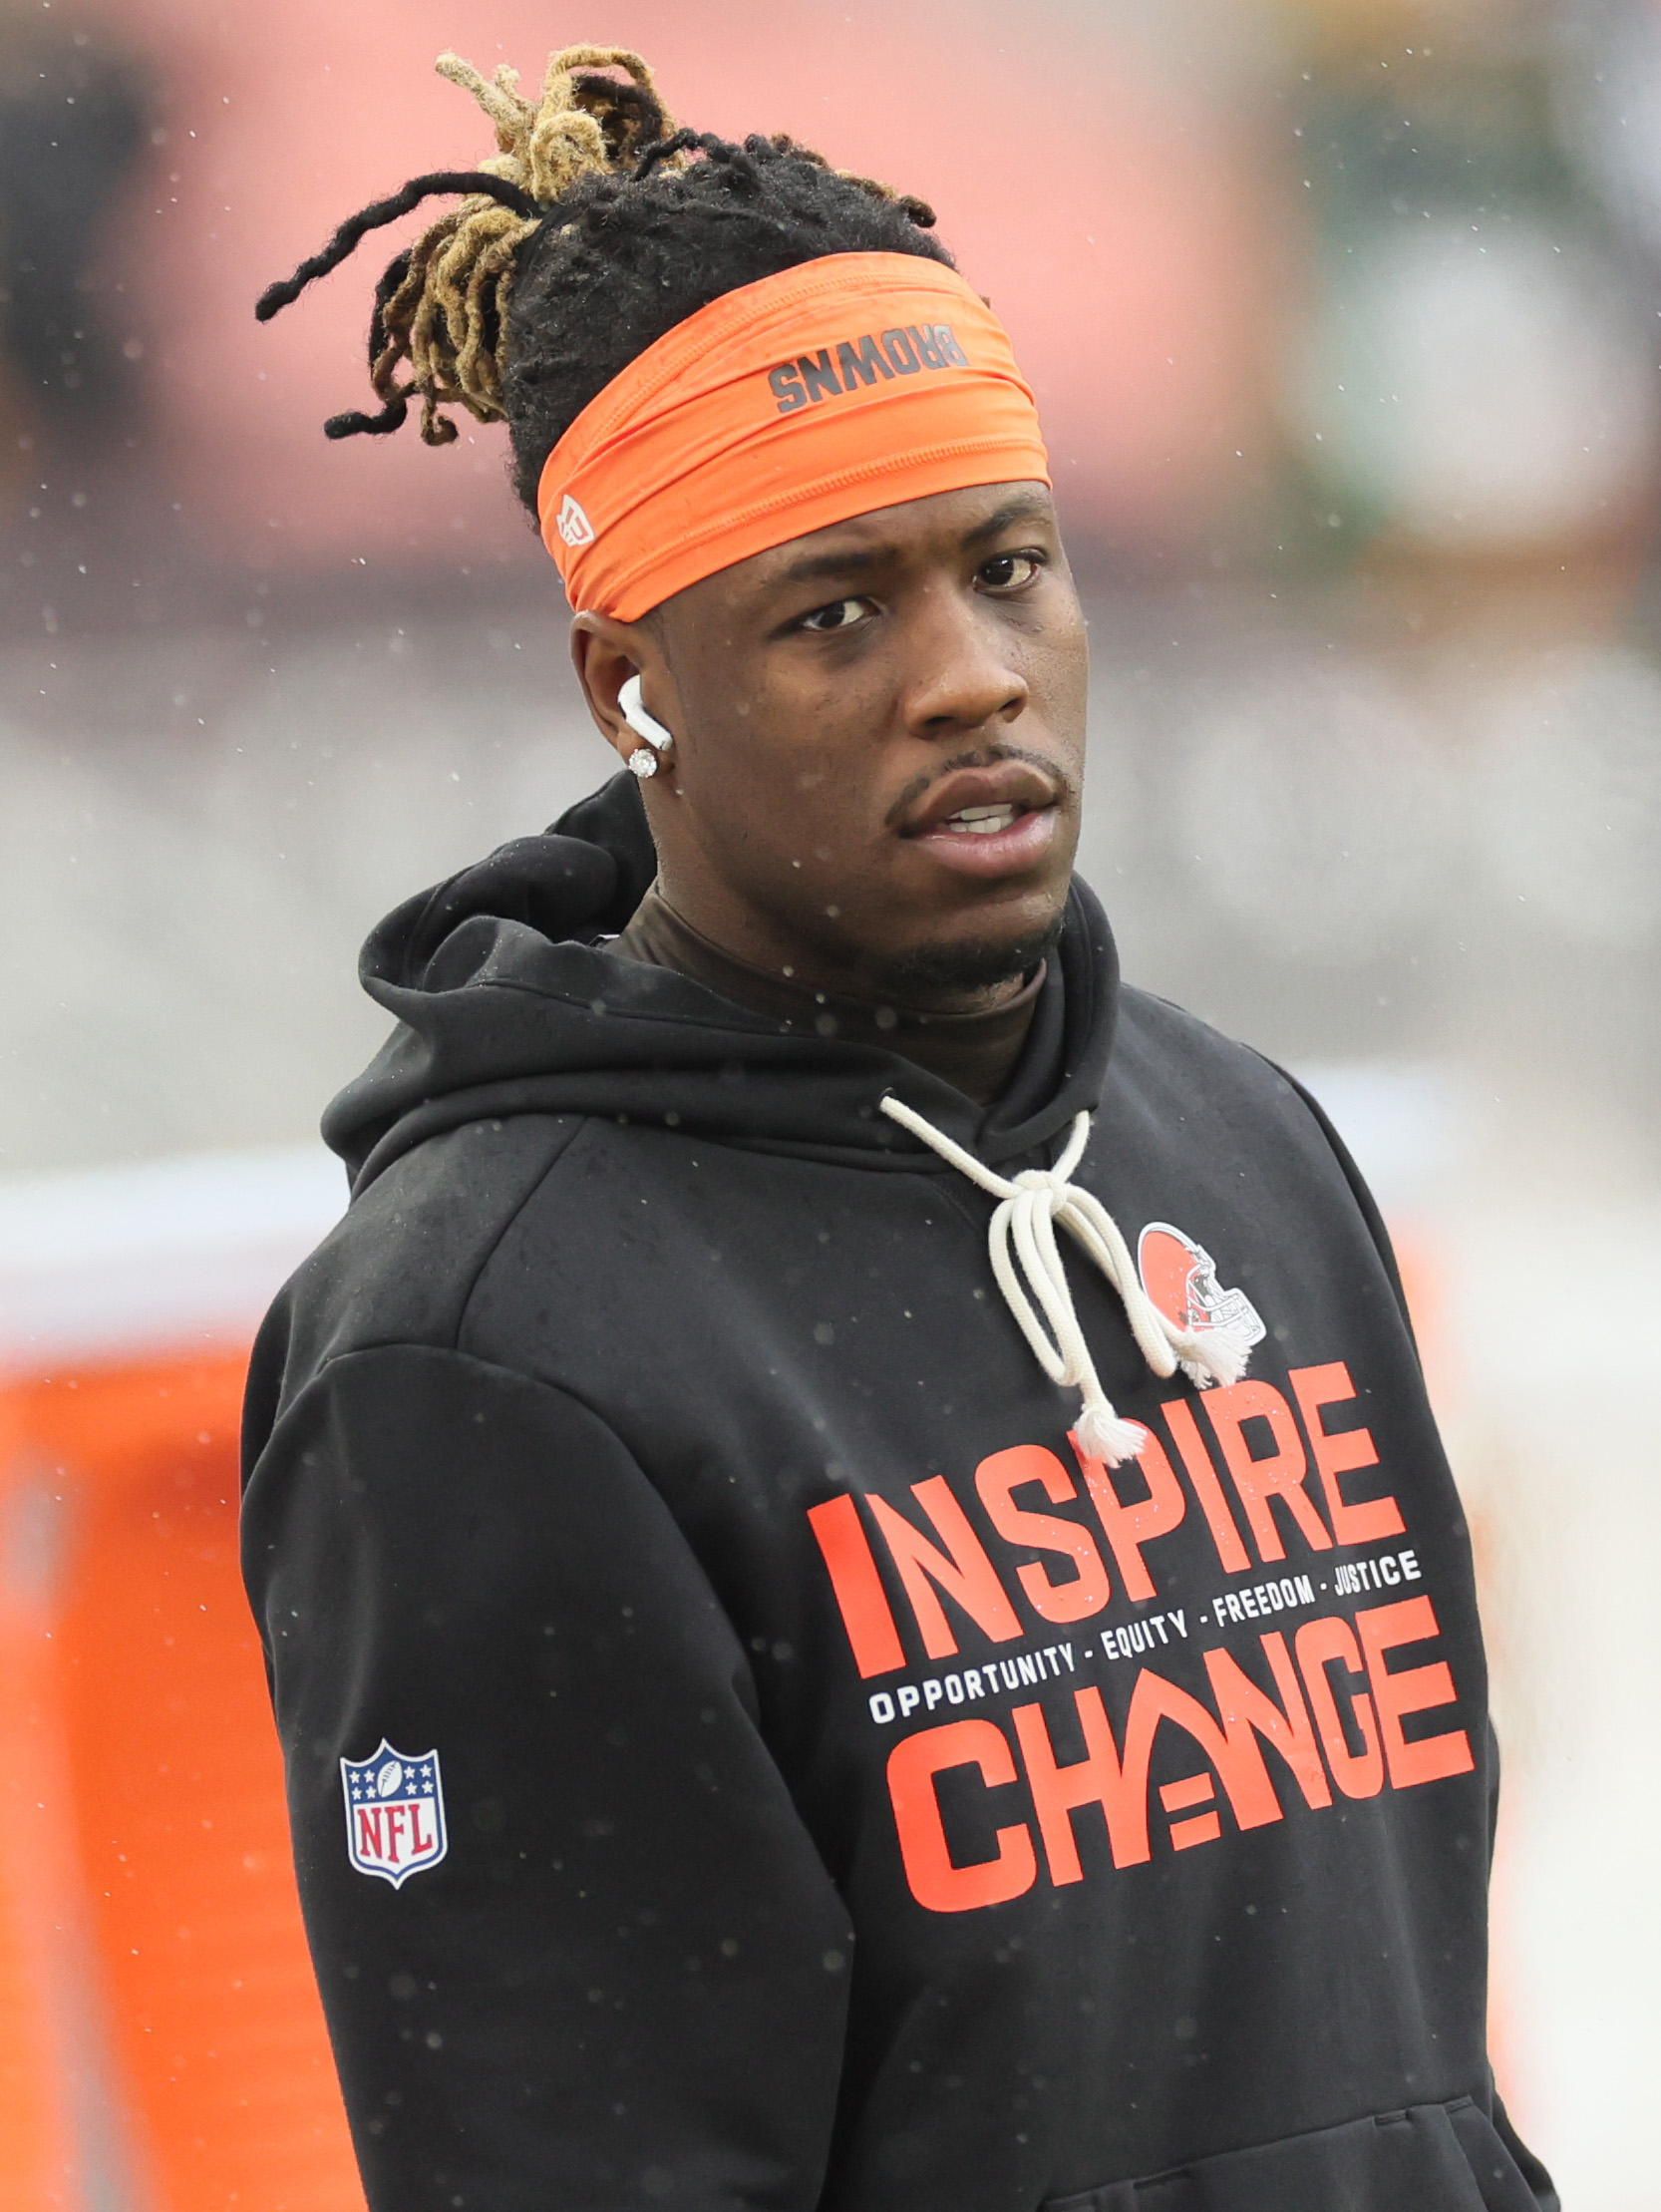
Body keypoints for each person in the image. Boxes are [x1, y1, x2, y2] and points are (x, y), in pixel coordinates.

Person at [242, 45, 1555, 2212]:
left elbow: (1396, 2033)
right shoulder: (478, 1352)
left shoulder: (1240, 1145)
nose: (970, 676)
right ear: (627, 680)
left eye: (1009, 566)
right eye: (835, 612)